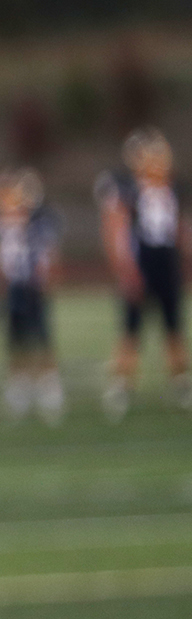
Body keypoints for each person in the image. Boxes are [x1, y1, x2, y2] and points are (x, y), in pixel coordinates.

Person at [96, 127, 191, 418]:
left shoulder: (173, 188)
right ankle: (121, 384)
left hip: (166, 261)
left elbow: (180, 229)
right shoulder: (127, 189)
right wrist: (126, 267)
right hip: (142, 261)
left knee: (173, 325)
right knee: (131, 328)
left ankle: (181, 381)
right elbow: (117, 230)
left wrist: (185, 255)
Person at [0, 168, 65, 424]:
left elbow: (49, 255)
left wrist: (48, 279)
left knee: (41, 335)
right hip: (12, 287)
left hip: (33, 285)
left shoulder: (40, 223)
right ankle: (19, 385)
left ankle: (48, 385)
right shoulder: (0, 225)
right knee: (14, 338)